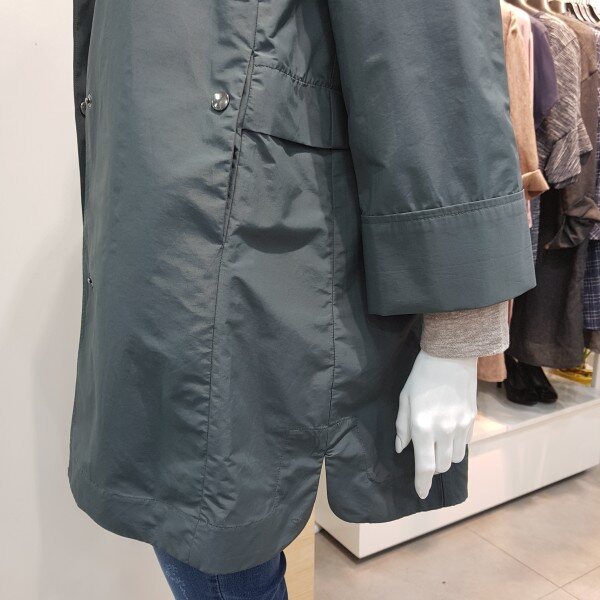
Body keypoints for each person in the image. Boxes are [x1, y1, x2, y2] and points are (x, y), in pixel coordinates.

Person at [69, 0, 535, 597]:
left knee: (215, 536)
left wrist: (459, 325)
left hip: (256, 234)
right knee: (197, 528)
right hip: (159, 231)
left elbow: (428, 40)